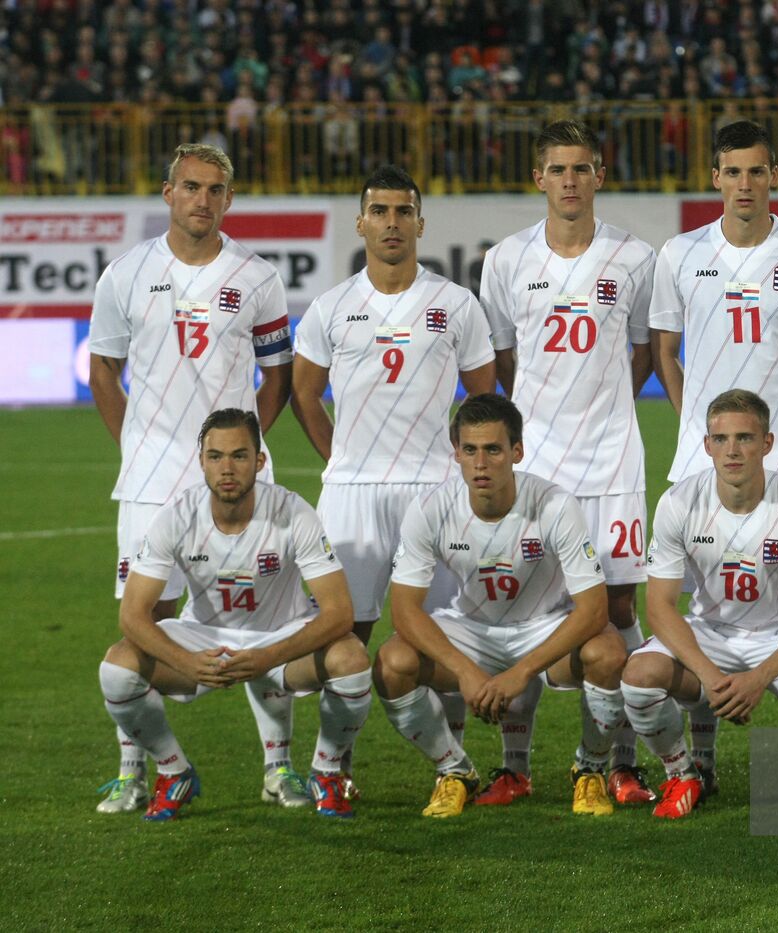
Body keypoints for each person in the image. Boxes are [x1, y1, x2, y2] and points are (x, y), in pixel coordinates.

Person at [89, 143, 302, 814]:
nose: (202, 199)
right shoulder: (125, 274)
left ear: (228, 199)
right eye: (190, 187)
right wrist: (136, 444)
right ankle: (142, 769)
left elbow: (279, 373)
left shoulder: (257, 277)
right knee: (144, 623)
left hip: (237, 479)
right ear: (168, 193)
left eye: (214, 189)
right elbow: (103, 369)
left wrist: (248, 444)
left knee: (261, 621)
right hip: (151, 484)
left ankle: (278, 768)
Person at [290, 164, 496, 787]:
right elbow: (304, 394)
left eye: (403, 211)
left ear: (420, 223)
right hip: (350, 496)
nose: (391, 223)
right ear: (360, 223)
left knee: (444, 636)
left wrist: (461, 466)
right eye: (379, 211)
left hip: (434, 493)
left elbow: (483, 399)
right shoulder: (330, 307)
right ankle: (334, 767)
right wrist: (339, 459)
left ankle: (452, 769)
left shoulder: (455, 304)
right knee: (342, 637)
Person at [478, 120, 656, 807]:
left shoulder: (634, 258)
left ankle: (614, 763)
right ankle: (514, 766)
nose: (570, 180)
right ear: (539, 178)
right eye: (558, 169)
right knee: (519, 602)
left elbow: (643, 351)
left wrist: (603, 407)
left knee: (617, 606)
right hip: (539, 465)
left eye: (582, 168)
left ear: (600, 176)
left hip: (612, 462)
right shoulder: (505, 259)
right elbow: (502, 357)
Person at [649, 119, 778, 781]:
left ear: (774, 175)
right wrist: (695, 429)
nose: (745, 183)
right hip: (701, 464)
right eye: (733, 172)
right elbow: (665, 351)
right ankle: (700, 759)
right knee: (705, 611)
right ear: (716, 178)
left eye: (757, 170)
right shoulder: (679, 254)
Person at [97, 409, 370, 821]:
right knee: (117, 668)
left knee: (351, 660)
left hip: (281, 638)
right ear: (201, 462)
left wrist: (268, 657)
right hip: (205, 637)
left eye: (239, 456)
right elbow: (132, 616)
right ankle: (173, 771)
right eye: (216, 456)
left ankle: (326, 772)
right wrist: (186, 661)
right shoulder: (175, 516)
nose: (227, 468)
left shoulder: (293, 513)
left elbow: (339, 613)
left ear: (259, 461)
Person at [374, 394, 629, 817]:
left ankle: (590, 769)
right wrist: (465, 671)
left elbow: (593, 610)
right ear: (455, 453)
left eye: (493, 449)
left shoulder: (555, 505)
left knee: (608, 652)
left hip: (544, 624)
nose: (480, 463)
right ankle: (454, 771)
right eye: (470, 450)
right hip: (472, 628)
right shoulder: (431, 509)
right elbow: (404, 611)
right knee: (392, 663)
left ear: (517, 452)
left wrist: (521, 672)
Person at [622, 390, 778, 819]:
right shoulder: (679, 503)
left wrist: (759, 678)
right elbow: (659, 607)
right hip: (710, 634)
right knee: (639, 676)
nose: (732, 450)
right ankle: (683, 774)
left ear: (767, 443)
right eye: (721, 439)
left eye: (745, 438)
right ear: (707, 445)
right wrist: (710, 676)